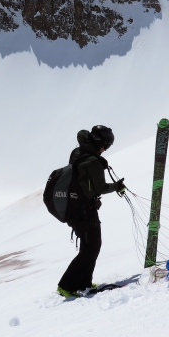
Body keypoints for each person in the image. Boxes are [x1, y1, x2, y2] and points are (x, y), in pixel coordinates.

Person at [57, 125, 125, 297]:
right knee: (91, 247)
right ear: (100, 143)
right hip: (84, 211)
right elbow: (100, 188)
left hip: (73, 209)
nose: (105, 150)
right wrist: (117, 186)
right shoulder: (93, 161)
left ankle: (83, 283)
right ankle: (66, 285)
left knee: (89, 246)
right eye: (106, 146)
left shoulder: (77, 152)